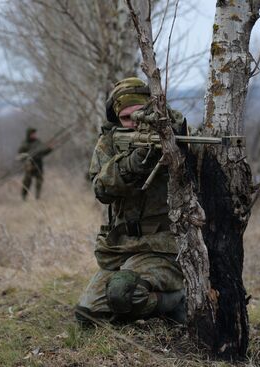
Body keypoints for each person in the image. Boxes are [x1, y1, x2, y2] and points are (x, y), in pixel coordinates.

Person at [76, 77, 186, 324]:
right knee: (88, 315)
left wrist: (173, 149)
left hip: (163, 246)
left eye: (140, 115)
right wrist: (128, 166)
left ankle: (177, 299)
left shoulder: (175, 135)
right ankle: (143, 305)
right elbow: (101, 190)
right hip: (121, 246)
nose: (135, 124)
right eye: (126, 118)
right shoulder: (110, 142)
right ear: (117, 119)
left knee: (123, 292)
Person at [17, 127, 53, 200]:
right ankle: (24, 196)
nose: (34, 135)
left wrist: (49, 149)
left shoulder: (38, 142)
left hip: (39, 164)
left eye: (34, 134)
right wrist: (27, 158)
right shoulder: (24, 144)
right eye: (32, 134)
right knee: (27, 181)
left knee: (39, 181)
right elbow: (20, 156)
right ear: (29, 134)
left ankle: (37, 197)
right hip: (29, 165)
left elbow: (43, 152)